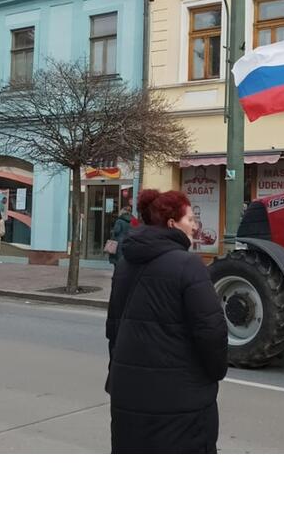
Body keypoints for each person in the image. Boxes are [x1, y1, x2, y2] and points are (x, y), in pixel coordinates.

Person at [105, 188, 228, 453]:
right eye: (190, 219)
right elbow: (212, 332)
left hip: (127, 395)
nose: (195, 226)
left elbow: (114, 328)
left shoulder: (125, 264)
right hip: (180, 403)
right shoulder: (188, 265)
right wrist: (213, 374)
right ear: (172, 223)